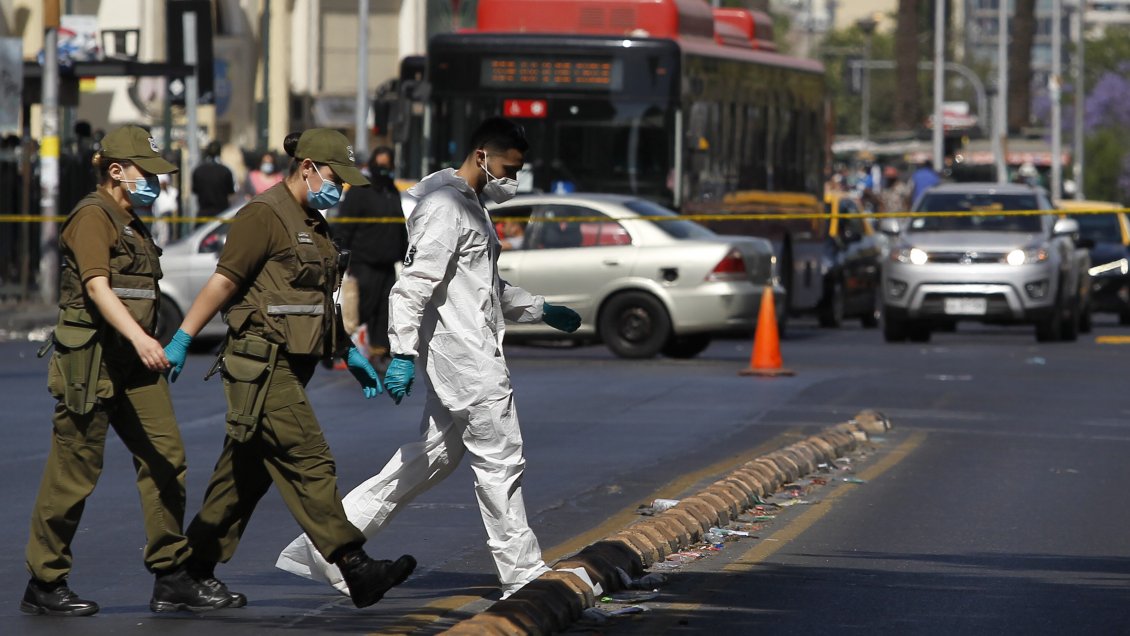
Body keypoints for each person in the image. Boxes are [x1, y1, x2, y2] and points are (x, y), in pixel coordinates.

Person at [276, 117, 582, 600]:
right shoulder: (444, 207)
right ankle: (521, 573)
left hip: (466, 353)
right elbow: (413, 287)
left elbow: (483, 285)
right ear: (482, 155)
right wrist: (401, 352)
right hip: (467, 359)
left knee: (428, 460)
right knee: (501, 460)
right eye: (509, 168)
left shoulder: (469, 205)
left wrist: (540, 309)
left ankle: (324, 548)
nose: (513, 179)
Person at [162, 128, 416, 610]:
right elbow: (224, 282)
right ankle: (354, 564)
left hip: (294, 364)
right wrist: (183, 336)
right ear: (307, 168)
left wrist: (347, 351)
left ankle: (185, 572)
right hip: (261, 364)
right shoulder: (263, 215)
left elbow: (315, 302)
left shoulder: (313, 223)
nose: (340, 188)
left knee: (242, 476)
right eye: (335, 178)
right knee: (309, 457)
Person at [21, 125, 232, 617]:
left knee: (166, 459)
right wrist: (142, 339)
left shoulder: (132, 220)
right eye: (147, 173)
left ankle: (171, 575)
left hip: (135, 364)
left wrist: (143, 344)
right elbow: (97, 287)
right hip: (92, 361)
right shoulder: (93, 216)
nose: (155, 183)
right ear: (116, 171)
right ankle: (45, 581)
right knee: (73, 472)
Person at [334, 146, 408, 366]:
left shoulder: (391, 191)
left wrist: (405, 255)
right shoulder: (359, 190)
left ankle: (379, 352)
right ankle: (337, 346)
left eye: (387, 165)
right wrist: (341, 257)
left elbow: (399, 226)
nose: (383, 169)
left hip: (387, 265)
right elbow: (345, 227)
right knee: (360, 310)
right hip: (363, 263)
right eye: (380, 165)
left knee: (384, 312)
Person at [192, 140, 235, 215]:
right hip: (222, 214)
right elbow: (231, 191)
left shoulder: (198, 170)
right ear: (220, 152)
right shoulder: (225, 171)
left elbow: (195, 190)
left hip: (204, 213)